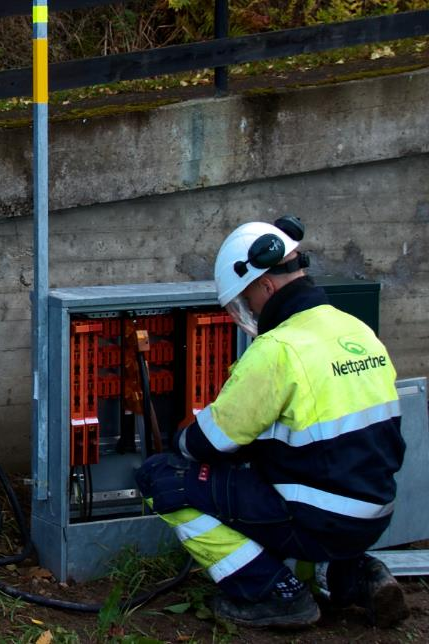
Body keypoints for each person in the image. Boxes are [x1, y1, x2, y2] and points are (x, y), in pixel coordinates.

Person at [135, 217, 408, 628]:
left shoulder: (278, 348)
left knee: (164, 480)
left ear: (266, 285)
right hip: (374, 512)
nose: (251, 309)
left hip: (318, 518)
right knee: (283, 478)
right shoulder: (355, 329)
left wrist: (182, 442)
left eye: (248, 298)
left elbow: (212, 441)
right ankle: (350, 575)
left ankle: (272, 592)